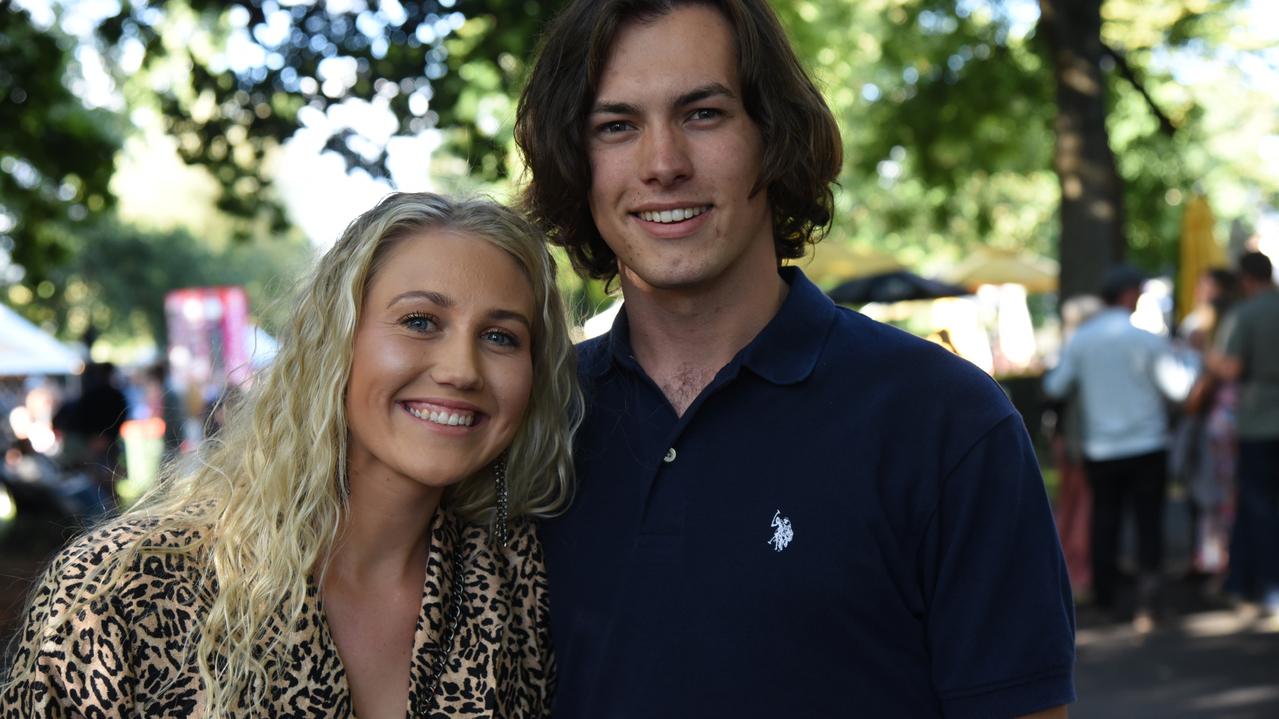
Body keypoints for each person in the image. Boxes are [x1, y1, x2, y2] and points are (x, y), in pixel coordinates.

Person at [515, 1, 1075, 716]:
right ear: (576, 161)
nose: (662, 164)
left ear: (771, 135)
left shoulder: (945, 420)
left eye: (702, 114)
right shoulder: (529, 427)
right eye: (615, 126)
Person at [1, 193, 580, 717]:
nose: (461, 370)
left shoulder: (514, 583)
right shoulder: (119, 590)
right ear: (337, 344)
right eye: (420, 321)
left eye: (501, 336)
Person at [1044, 265, 1194, 628]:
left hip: (1102, 448)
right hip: (1147, 444)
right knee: (1148, 523)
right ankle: (1149, 599)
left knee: (1104, 520)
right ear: (1128, 294)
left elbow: (1055, 387)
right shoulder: (1146, 339)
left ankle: (1106, 597)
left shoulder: (1082, 340)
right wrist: (1188, 359)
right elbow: (1178, 389)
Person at [1209, 250, 1279, 617]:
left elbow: (1232, 369)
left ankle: (1266, 585)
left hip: (1259, 420)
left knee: (1258, 504)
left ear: (1246, 279)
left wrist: (1212, 361)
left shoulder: (1246, 314)